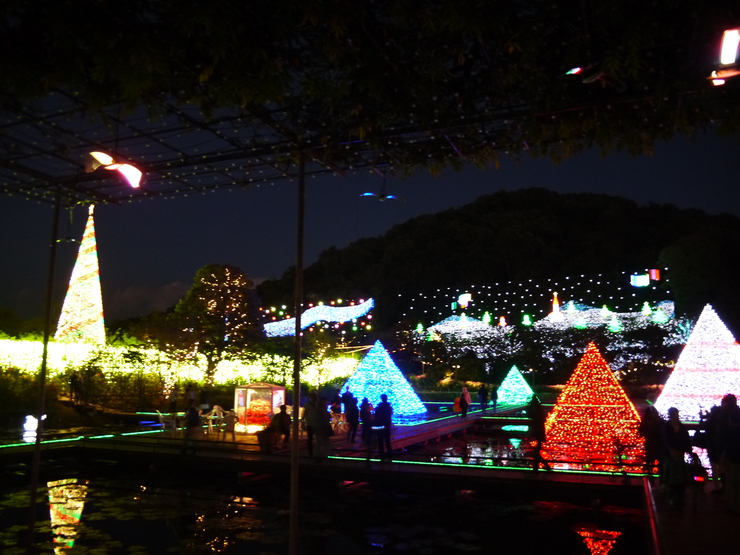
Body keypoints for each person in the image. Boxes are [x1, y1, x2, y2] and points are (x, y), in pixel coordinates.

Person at [662, 407, 694, 510]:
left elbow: (686, 439)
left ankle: (680, 499)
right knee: (672, 477)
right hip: (670, 455)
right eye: (675, 415)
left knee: (680, 476)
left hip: (679, 454)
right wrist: (671, 450)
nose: (677, 417)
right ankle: (673, 499)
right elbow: (665, 440)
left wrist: (687, 450)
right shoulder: (667, 427)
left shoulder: (680, 427)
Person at [638, 406, 664, 476]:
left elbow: (640, 431)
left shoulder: (646, 422)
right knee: (659, 460)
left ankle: (650, 473)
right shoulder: (660, 422)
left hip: (652, 444)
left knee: (650, 459)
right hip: (658, 444)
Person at [527, 395, 550, 470]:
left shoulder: (533, 409)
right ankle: (543, 466)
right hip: (540, 430)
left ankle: (541, 466)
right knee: (537, 450)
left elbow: (530, 416)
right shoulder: (540, 409)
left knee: (535, 450)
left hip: (536, 431)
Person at [374, 394, 393, 460]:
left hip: (380, 426)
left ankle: (382, 456)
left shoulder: (379, 408)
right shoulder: (389, 407)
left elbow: (376, 416)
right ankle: (390, 456)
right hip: (387, 425)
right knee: (387, 441)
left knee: (380, 442)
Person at [303, 392, 319, 456]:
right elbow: (304, 413)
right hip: (310, 423)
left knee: (312, 438)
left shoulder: (312, 404)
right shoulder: (308, 405)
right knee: (311, 438)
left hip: (313, 423)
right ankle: (311, 451)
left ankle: (313, 451)